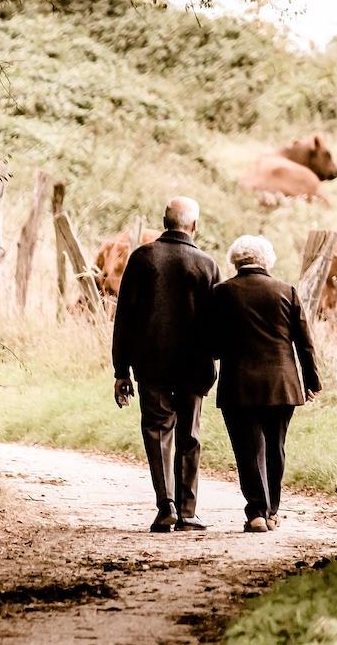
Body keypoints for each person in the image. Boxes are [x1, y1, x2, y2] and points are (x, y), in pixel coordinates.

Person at [112, 197, 221, 533]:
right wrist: (213, 358)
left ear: (164, 221)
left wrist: (121, 370)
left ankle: (166, 507)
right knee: (189, 434)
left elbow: (124, 318)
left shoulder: (143, 258)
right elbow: (217, 323)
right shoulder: (206, 264)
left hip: (151, 364)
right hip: (194, 365)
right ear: (194, 226)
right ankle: (188, 512)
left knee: (158, 432)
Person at [210, 235, 321, 533]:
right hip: (282, 384)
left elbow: (212, 343)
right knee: (276, 447)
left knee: (248, 450)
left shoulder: (221, 293)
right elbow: (305, 343)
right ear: (266, 260)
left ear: (235, 260)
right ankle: (272, 512)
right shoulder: (287, 291)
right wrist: (312, 381)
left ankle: (256, 512)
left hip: (238, 385)